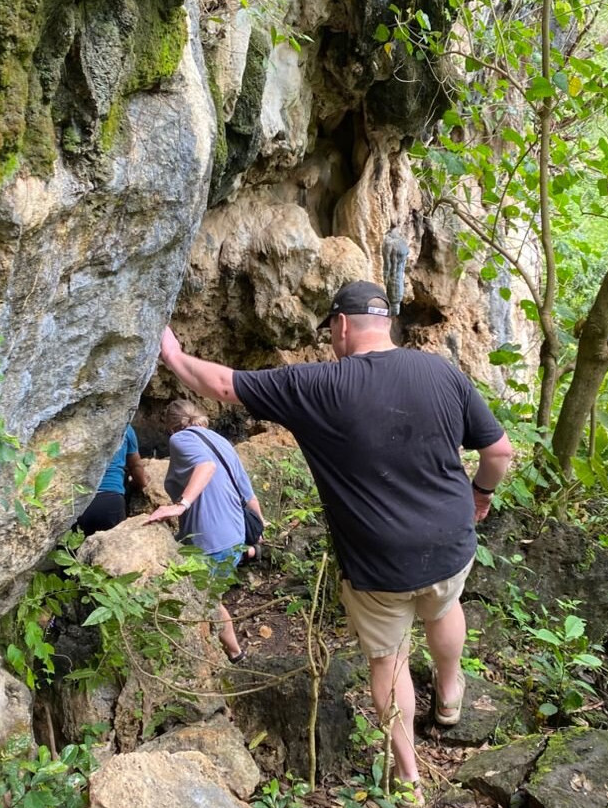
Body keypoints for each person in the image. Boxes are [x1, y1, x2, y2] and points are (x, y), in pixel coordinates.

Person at [155, 280, 513, 800]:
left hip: (379, 561)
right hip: (451, 539)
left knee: (388, 659)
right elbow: (499, 452)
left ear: (341, 326)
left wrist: (170, 351)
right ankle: (451, 692)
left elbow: (223, 384)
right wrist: (480, 494)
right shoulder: (442, 371)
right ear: (384, 322)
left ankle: (409, 777)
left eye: (330, 332)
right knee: (443, 606)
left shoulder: (319, 385)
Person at [144, 399, 264, 664]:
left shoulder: (181, 439)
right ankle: (248, 551)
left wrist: (180, 505)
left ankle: (236, 654)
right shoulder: (220, 441)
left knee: (208, 601)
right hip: (233, 533)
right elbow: (248, 494)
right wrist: (259, 527)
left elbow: (206, 467)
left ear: (170, 425)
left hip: (211, 538)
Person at [75, 424, 149, 536]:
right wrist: (141, 483)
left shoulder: (77, 427)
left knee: (72, 550)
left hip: (78, 501)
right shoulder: (125, 427)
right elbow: (136, 466)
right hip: (110, 500)